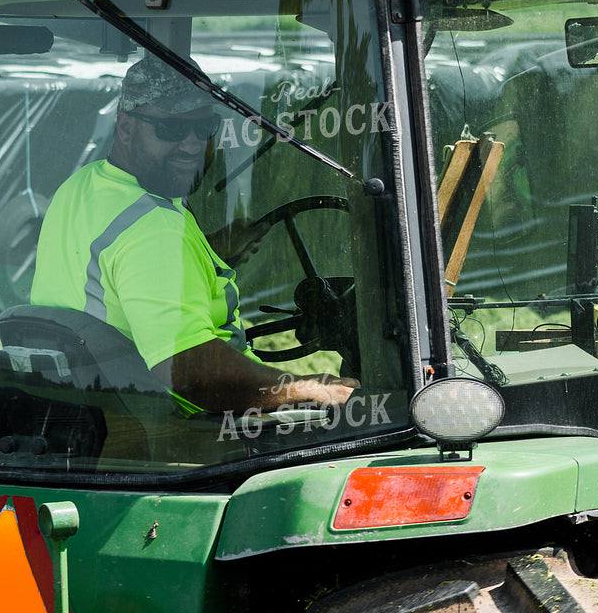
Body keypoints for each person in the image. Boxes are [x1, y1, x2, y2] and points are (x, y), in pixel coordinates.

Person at [30, 57, 356, 414]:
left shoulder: (81, 188)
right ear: (125, 127)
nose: (191, 145)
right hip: (186, 430)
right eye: (170, 129)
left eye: (204, 128)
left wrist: (213, 251)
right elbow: (188, 370)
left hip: (96, 407)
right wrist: (300, 386)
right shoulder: (155, 229)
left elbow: (124, 275)